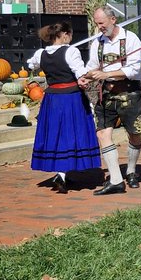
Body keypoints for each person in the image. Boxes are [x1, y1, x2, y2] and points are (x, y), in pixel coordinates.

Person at [27, 21, 99, 191]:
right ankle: (62, 174)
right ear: (65, 34)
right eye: (70, 35)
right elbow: (80, 72)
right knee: (71, 133)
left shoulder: (41, 53)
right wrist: (89, 75)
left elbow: (31, 65)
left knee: (56, 133)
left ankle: (62, 173)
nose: (71, 38)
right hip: (71, 98)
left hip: (52, 99)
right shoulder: (71, 51)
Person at [81, 7, 141, 195]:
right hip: (107, 95)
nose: (99, 27)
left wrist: (107, 73)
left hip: (129, 93)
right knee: (102, 134)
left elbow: (134, 70)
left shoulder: (131, 39)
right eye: (97, 23)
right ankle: (116, 180)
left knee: (135, 134)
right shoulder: (98, 43)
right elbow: (92, 66)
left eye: (102, 23)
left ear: (113, 20)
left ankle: (131, 171)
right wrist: (87, 76)